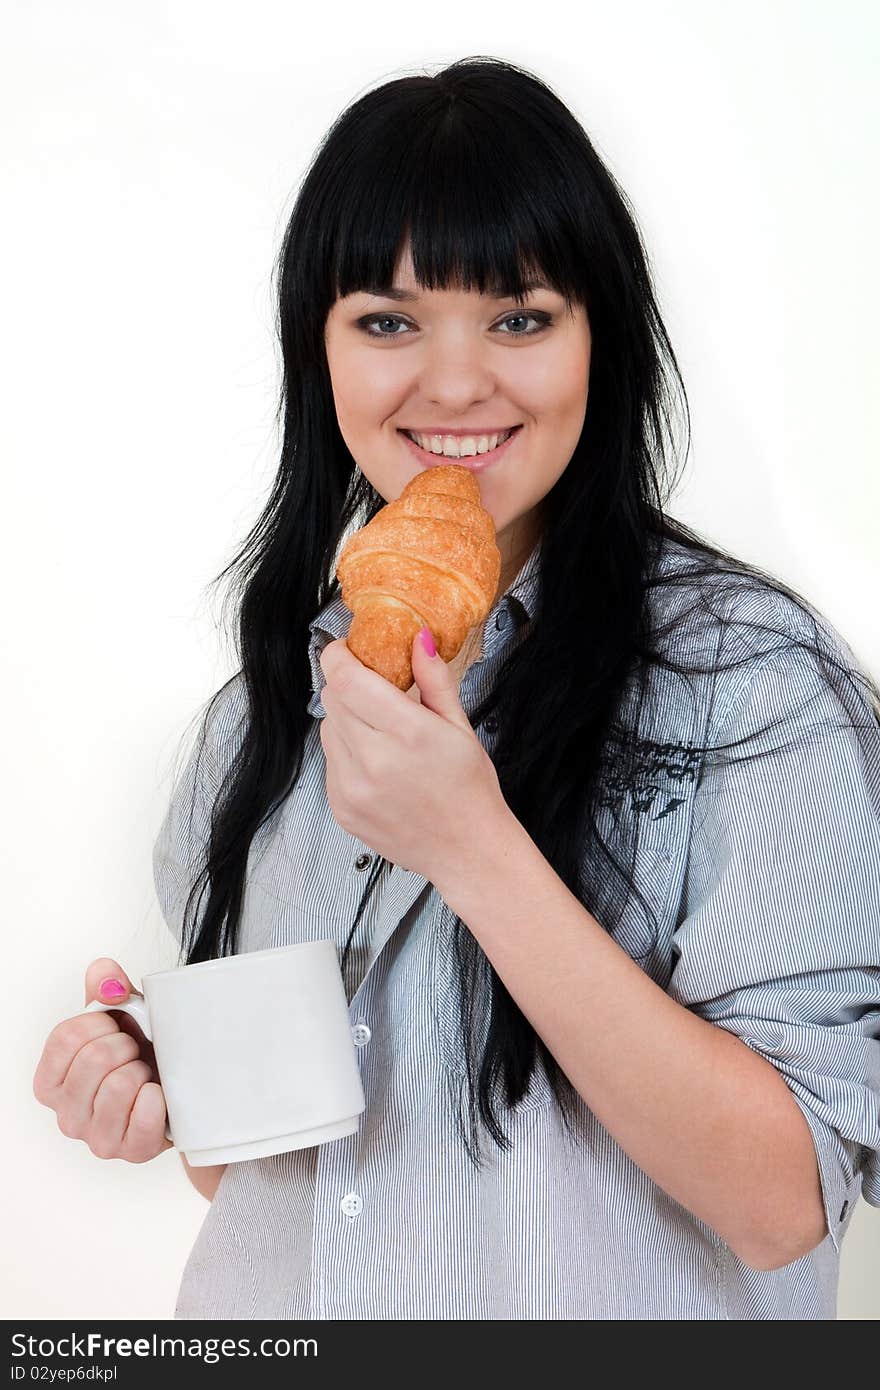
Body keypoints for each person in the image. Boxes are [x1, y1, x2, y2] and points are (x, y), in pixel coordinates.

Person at [33, 56, 880, 1321]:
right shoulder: (260, 717)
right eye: (387, 320)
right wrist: (160, 1086)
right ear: (316, 350)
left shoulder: (748, 690)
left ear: (605, 338)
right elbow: (299, 1182)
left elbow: (782, 1205)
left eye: (520, 317)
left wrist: (474, 848)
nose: (453, 382)